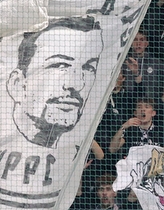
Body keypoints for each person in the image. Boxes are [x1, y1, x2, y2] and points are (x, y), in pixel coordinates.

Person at [6, 16, 103, 148]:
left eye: (89, 68)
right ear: (17, 84)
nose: (77, 84)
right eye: (60, 66)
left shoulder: (72, 153)